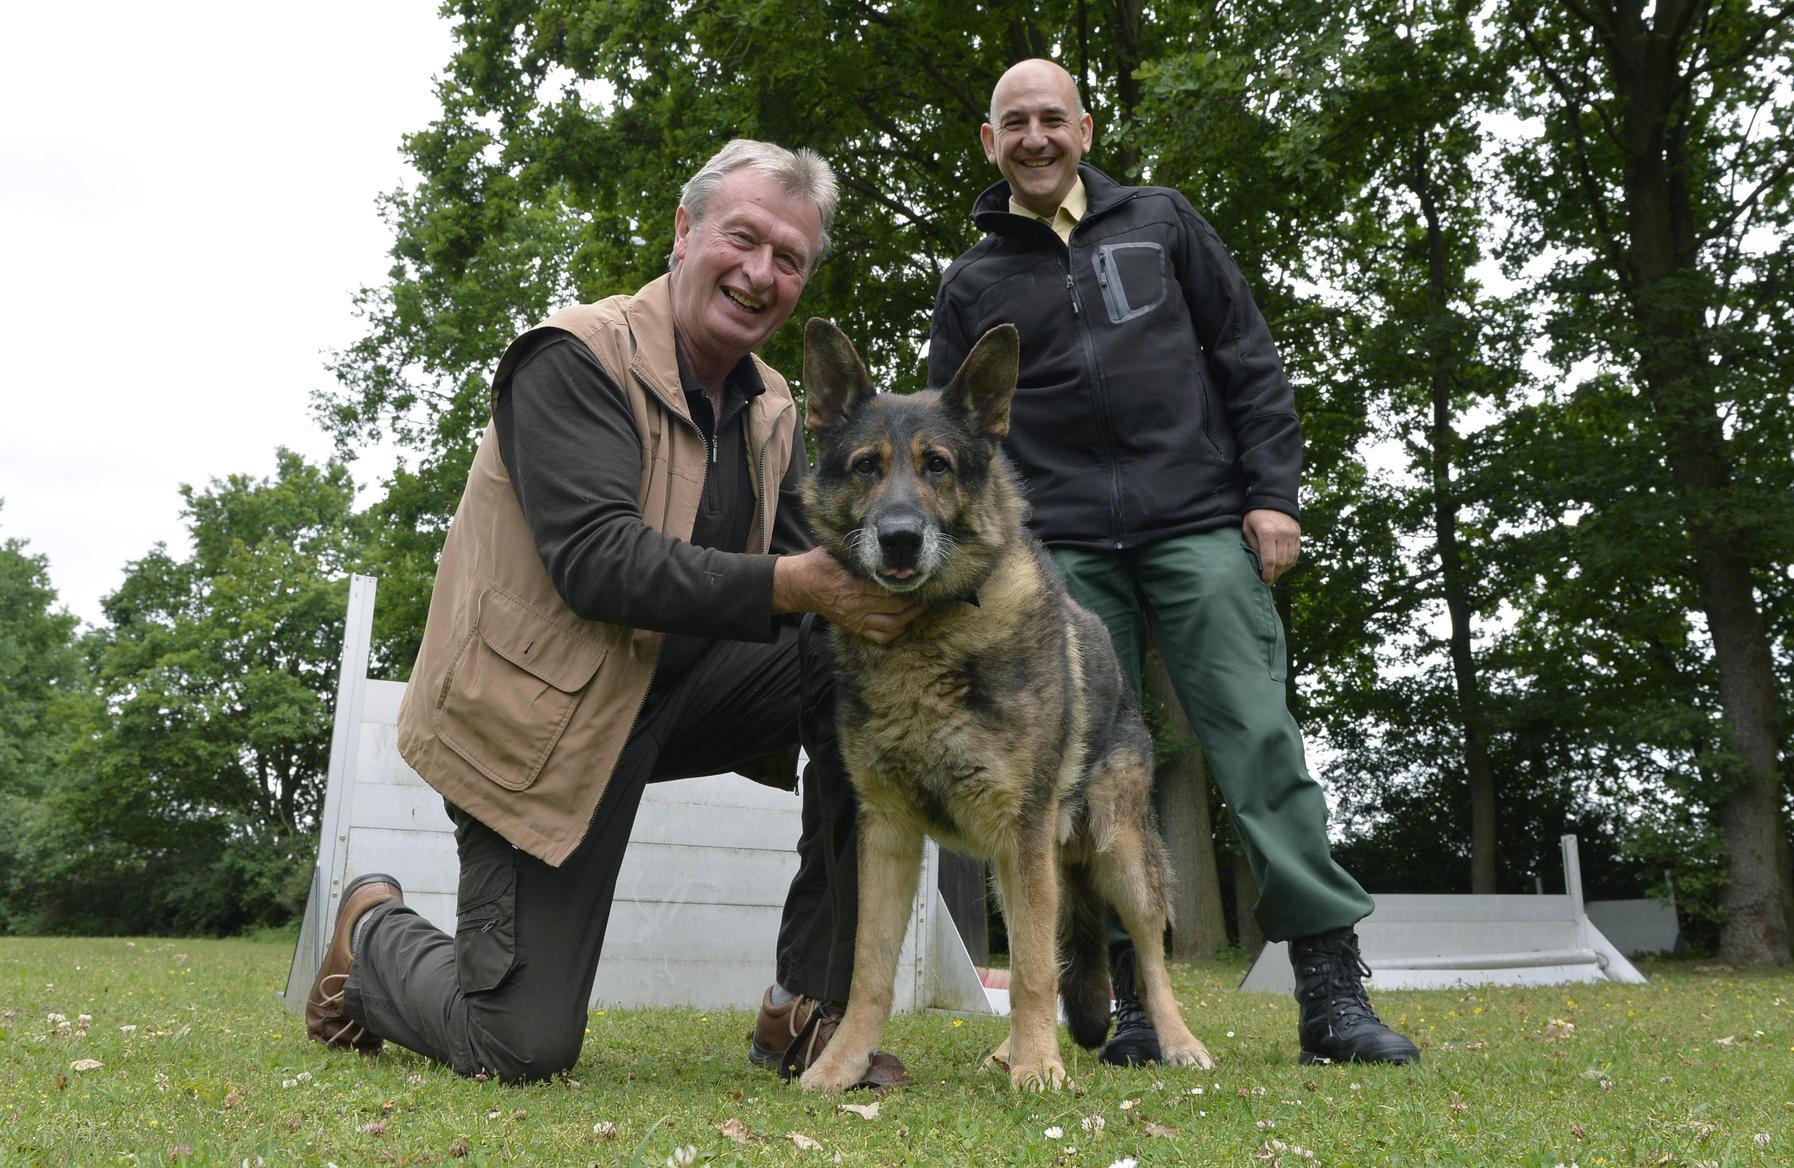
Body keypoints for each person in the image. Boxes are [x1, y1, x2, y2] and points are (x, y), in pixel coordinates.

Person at [304, 139, 917, 1087]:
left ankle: (806, 1005)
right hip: (532, 725)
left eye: (789, 258)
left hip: (668, 698)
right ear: (685, 231)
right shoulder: (572, 358)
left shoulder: (775, 406)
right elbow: (599, 561)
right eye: (742, 238)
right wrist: (795, 586)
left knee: (859, 669)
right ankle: (370, 935)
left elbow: (827, 561)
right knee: (518, 1045)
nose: (760, 274)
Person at [928, 60, 1420, 1068]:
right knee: (1074, 776)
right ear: (989, 143)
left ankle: (1330, 991)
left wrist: (1272, 494)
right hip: (1055, 552)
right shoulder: (972, 282)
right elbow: (953, 441)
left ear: (1085, 130)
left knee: (1258, 740)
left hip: (1195, 519)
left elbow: (1246, 355)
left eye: (1051, 119)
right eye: (1012, 123)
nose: (1033, 137)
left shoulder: (1164, 221)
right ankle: (1131, 1006)